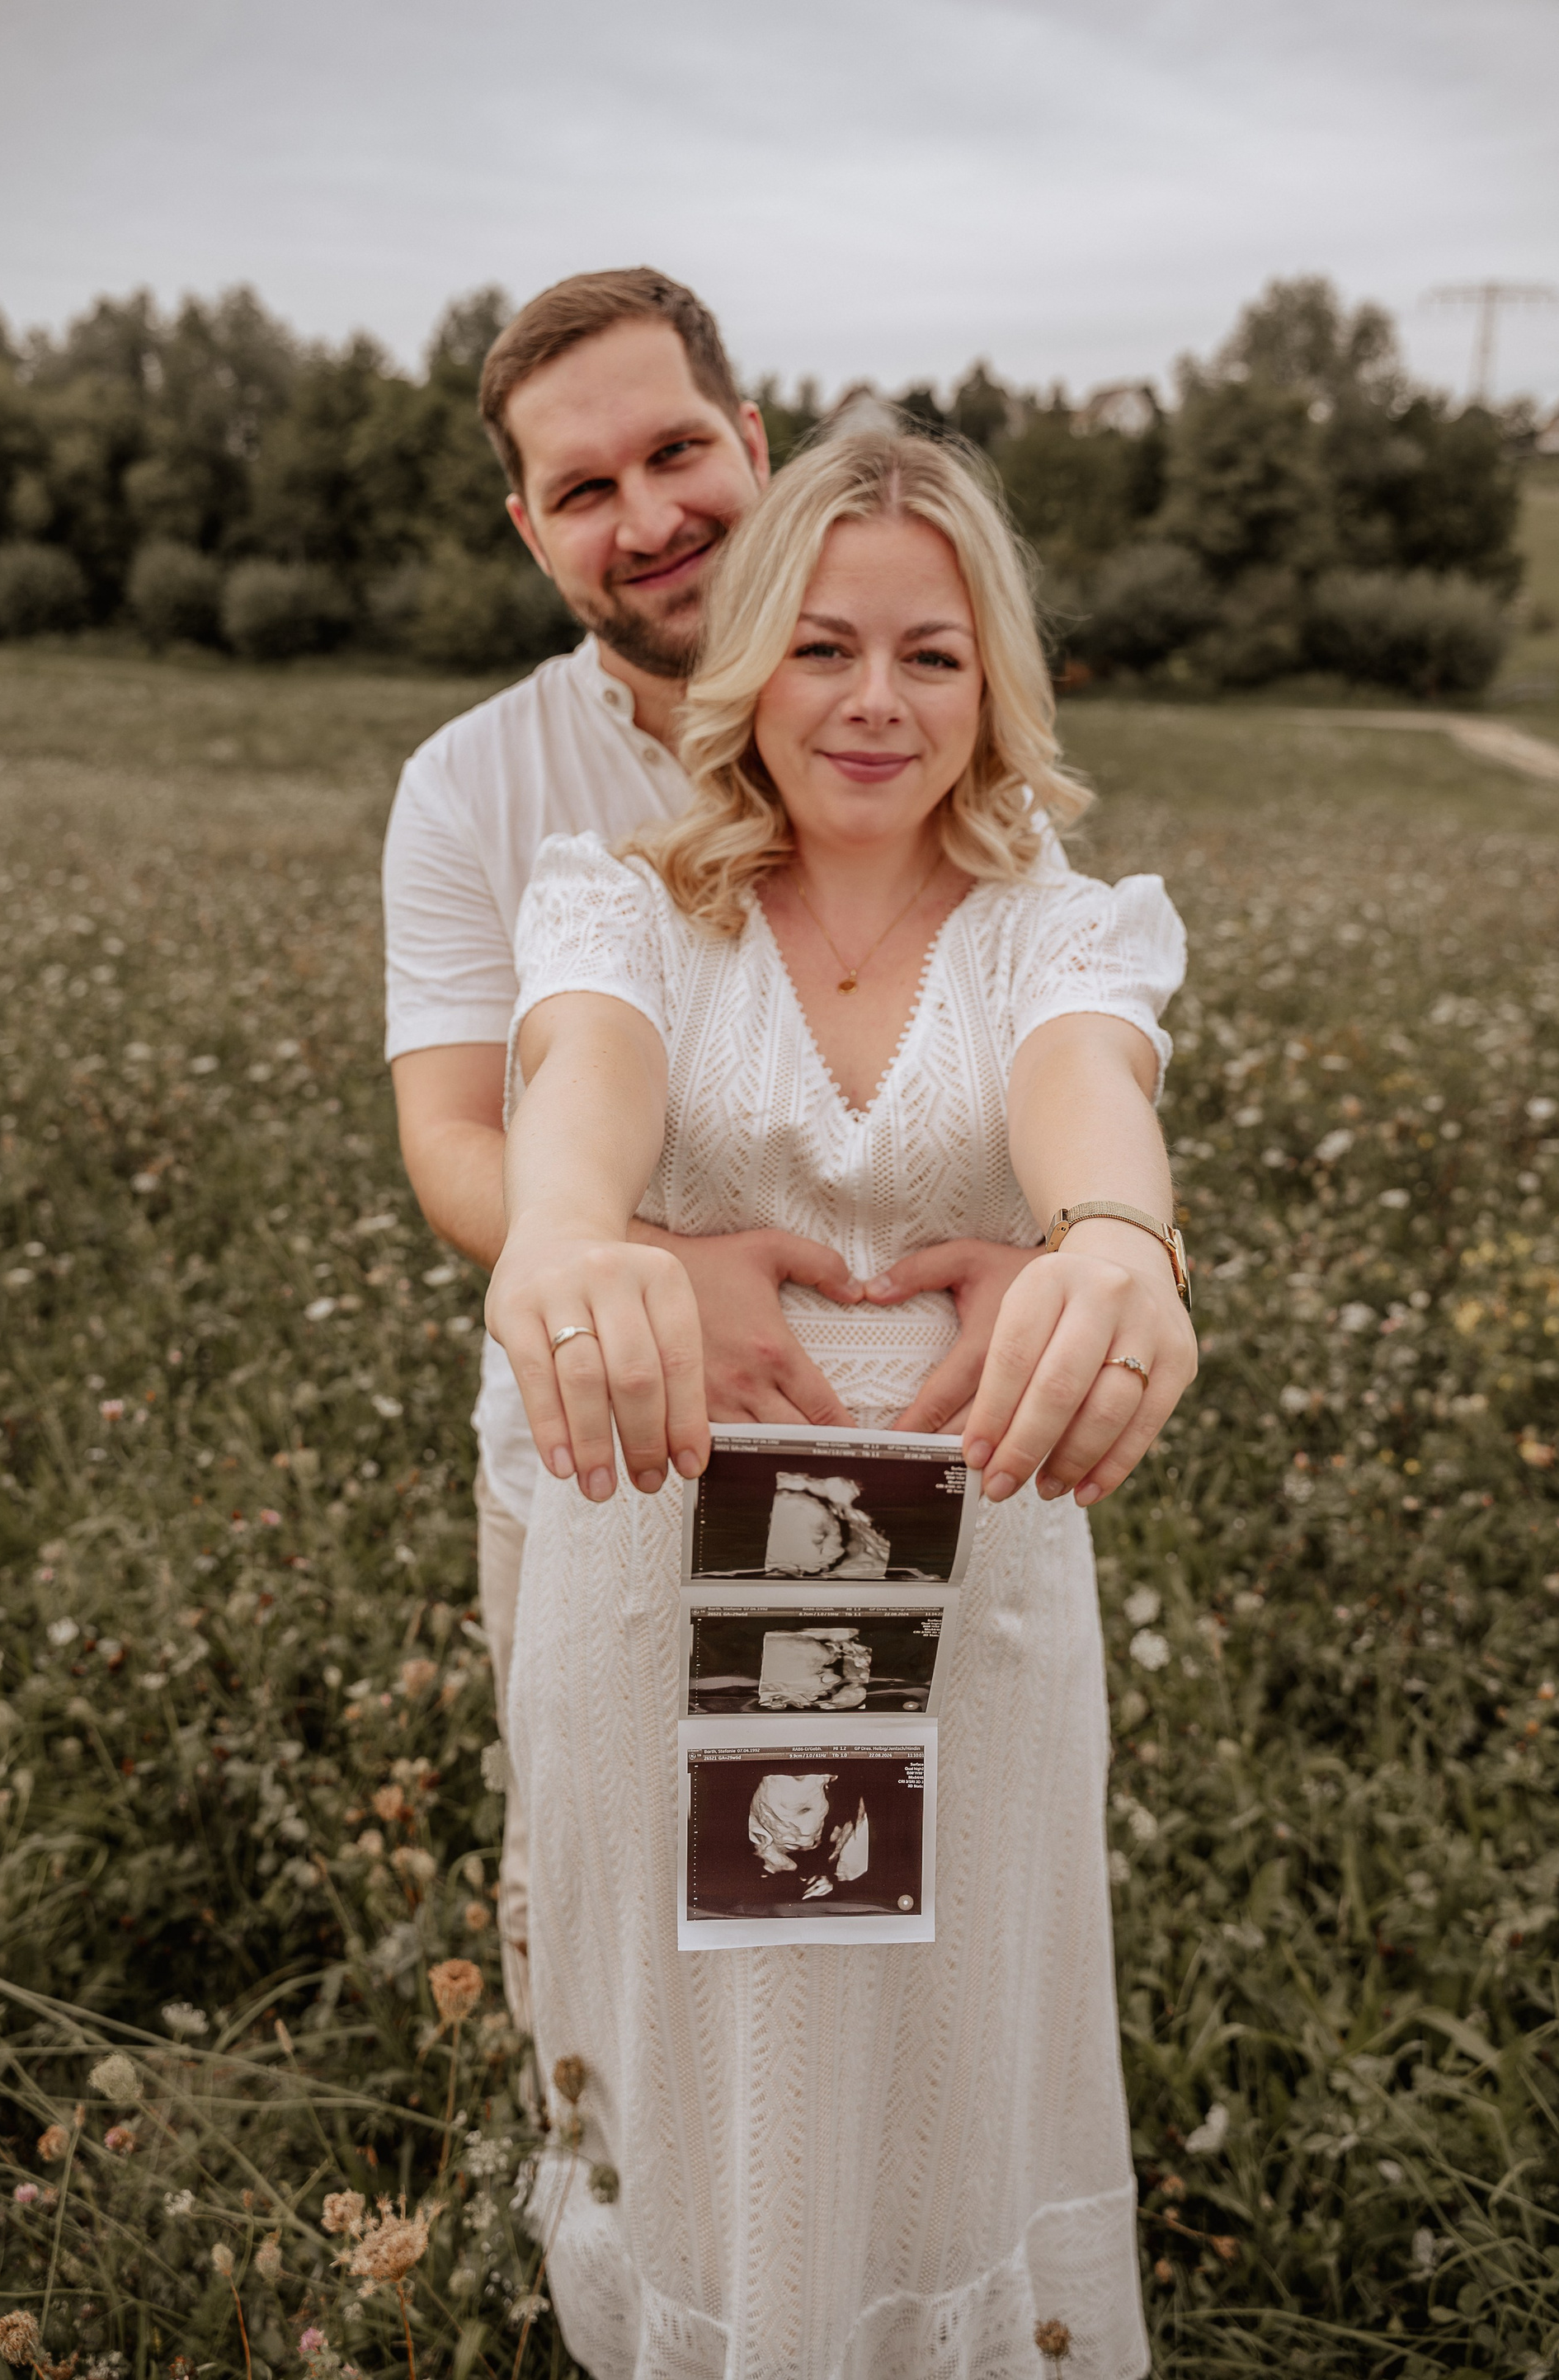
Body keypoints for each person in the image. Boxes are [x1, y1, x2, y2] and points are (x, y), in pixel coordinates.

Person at [487, 429, 1195, 2378]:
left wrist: (1121, 1246)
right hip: (667, 1604)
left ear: (993, 683)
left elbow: (1088, 1097)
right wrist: (562, 1232)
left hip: (969, 1629)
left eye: (930, 655)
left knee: (949, 2075)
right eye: (820, 647)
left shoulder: (1056, 928)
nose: (875, 700)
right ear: (749, 666)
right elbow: (581, 1098)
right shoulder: (624, 910)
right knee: (711, 2092)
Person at [381, 270, 1040, 2022]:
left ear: (751, 439)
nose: (650, 515)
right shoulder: (473, 783)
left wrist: (1100, 1245)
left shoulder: (920, 731)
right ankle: (578, 2183)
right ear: (532, 530)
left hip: (913, 1464)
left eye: (676, 451)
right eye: (585, 489)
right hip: (601, 1442)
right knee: (589, 1874)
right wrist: (657, 1268)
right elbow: (451, 1135)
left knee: (883, 1923)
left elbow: (1051, 1064)